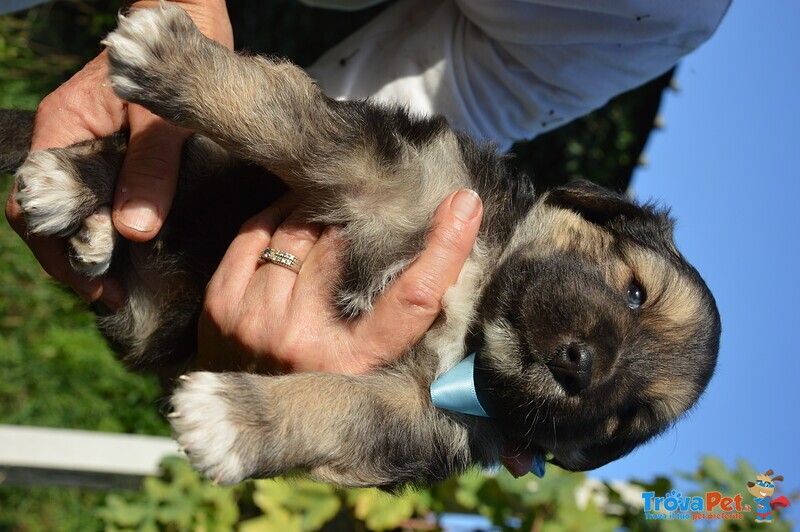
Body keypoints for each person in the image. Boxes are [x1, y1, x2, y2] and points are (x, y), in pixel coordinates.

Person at [4, 0, 731, 374]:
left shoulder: (663, 9)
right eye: (633, 293)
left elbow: (417, 111)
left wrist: (296, 309)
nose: (592, 359)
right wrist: (182, 40)